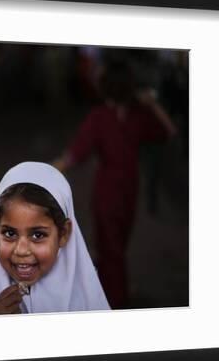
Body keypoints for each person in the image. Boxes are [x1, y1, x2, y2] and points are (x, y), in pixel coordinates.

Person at [54, 60, 177, 309]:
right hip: (129, 192)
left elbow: (73, 156)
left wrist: (44, 170)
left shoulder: (99, 118)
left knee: (111, 249)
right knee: (115, 248)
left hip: (107, 193)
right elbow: (170, 132)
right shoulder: (138, 117)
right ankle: (113, 290)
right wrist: (152, 105)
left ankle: (114, 300)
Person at [0, 162, 110, 316]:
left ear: (64, 233)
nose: (21, 250)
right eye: (9, 234)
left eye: (37, 235)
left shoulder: (88, 306)